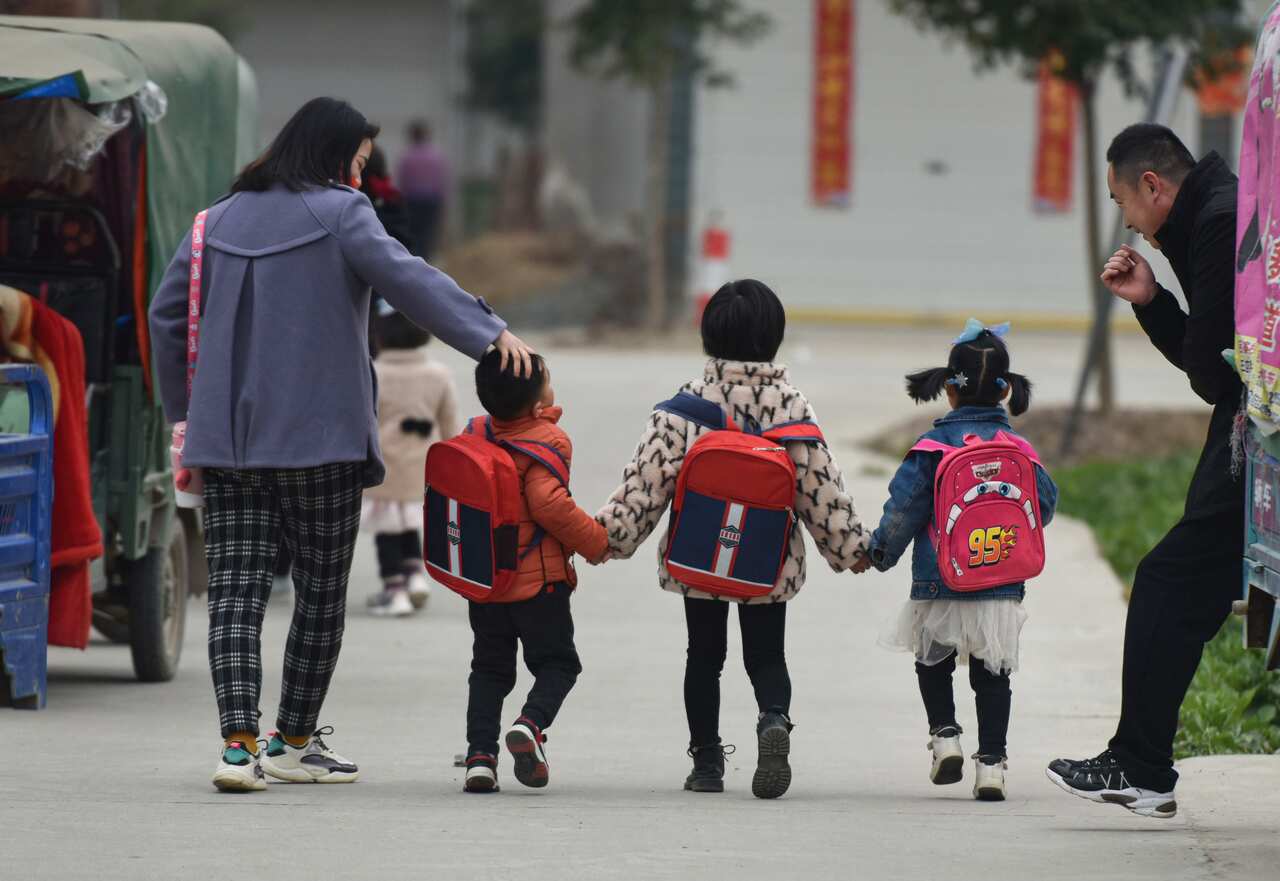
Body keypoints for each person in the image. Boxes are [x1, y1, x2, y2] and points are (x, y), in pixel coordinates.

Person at [148, 96, 534, 793]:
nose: (360, 176)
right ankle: (293, 743)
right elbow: (410, 282)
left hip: (229, 445)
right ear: (333, 156)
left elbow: (166, 316)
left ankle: (237, 747)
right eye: (357, 161)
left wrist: (186, 413)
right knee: (321, 596)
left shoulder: (214, 221)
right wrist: (489, 332)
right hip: (322, 446)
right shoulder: (343, 213)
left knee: (234, 594)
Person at [595, 279, 869, 799]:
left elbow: (644, 486)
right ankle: (774, 718)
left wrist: (608, 538)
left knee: (703, 657)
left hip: (700, 559)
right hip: (767, 563)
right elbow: (821, 489)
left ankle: (706, 764)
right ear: (776, 339)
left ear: (709, 338)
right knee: (767, 656)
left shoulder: (682, 409)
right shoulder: (792, 408)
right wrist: (851, 549)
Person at [1046, 124, 1243, 819]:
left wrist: (1159, 304)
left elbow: (1213, 374)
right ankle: (1142, 763)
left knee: (1169, 581)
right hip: (1249, 431)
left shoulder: (1218, 222)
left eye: (1122, 201)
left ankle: (1141, 765)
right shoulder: (1219, 210)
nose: (1126, 220)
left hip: (1255, 437)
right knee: (1182, 586)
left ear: (1153, 186)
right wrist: (1155, 302)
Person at [859, 321, 1058, 802]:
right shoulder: (1019, 451)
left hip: (939, 579)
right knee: (992, 675)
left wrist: (879, 552)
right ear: (1006, 391)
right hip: (999, 579)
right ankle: (991, 765)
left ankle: (945, 736)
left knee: (933, 662)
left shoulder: (932, 450)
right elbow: (1045, 506)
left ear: (948, 389)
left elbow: (904, 509)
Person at [460, 351, 609, 794]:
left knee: (489, 670)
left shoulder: (475, 433)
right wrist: (596, 542)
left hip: (486, 582)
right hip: (538, 585)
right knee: (559, 664)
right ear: (538, 402)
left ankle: (479, 758)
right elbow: (549, 505)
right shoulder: (548, 440)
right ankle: (530, 724)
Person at [363, 306, 459, 616]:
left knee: (387, 529)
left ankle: (395, 591)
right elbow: (449, 423)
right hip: (422, 464)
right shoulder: (438, 374)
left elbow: (362, 421)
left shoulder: (373, 372)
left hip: (384, 465)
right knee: (408, 522)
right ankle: (416, 574)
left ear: (380, 334)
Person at [397, 119, 448, 259]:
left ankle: (416, 258)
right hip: (431, 200)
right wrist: (443, 202)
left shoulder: (406, 157)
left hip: (411, 200)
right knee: (428, 233)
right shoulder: (436, 156)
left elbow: (402, 182)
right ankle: (426, 258)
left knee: (413, 233)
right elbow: (441, 181)